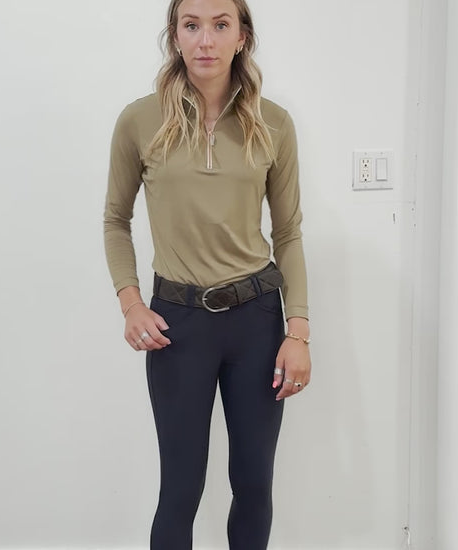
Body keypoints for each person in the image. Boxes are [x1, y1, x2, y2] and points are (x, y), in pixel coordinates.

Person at [103, 0, 311, 548]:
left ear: (242, 36)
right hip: (177, 325)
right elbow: (115, 220)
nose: (205, 40)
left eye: (221, 25)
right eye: (191, 25)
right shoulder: (139, 121)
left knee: (254, 485)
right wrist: (130, 303)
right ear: (175, 35)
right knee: (180, 490)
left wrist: (298, 331)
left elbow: (288, 232)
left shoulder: (274, 124)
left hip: (257, 321)